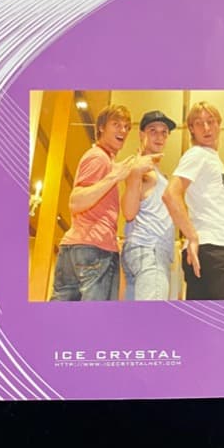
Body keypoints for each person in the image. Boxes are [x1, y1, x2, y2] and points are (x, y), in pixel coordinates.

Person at [49, 104, 157, 301]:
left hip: (75, 248)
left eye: (126, 127)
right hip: (95, 249)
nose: (123, 130)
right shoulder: (99, 157)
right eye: (116, 124)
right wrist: (114, 177)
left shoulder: (104, 159)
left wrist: (127, 168)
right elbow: (75, 201)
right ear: (101, 127)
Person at [163, 101, 224, 300]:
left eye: (211, 121)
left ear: (219, 124)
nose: (206, 128)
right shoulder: (198, 154)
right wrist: (192, 236)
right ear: (191, 129)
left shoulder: (211, 159)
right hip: (218, 249)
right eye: (199, 123)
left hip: (209, 253)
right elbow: (171, 194)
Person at [121, 110, 177, 301]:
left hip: (146, 252)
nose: (159, 136)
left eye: (164, 132)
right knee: (152, 316)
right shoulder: (139, 168)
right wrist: (135, 173)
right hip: (149, 251)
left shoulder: (155, 171)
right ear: (141, 134)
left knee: (138, 317)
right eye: (153, 130)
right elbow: (129, 212)